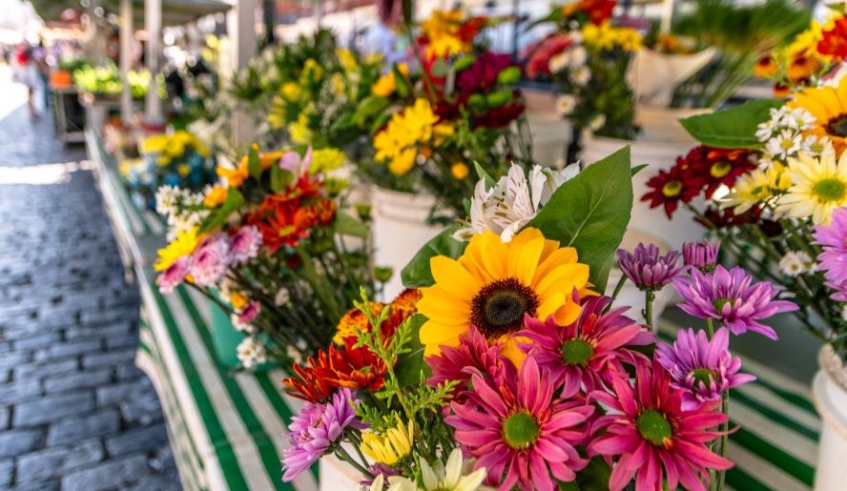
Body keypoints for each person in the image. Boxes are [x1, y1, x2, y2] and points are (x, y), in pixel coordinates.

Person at [12, 44, 38, 119]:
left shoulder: (24, 54)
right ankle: (32, 111)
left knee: (31, 96)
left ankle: (32, 110)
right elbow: (22, 65)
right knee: (30, 96)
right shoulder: (21, 54)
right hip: (27, 79)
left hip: (29, 78)